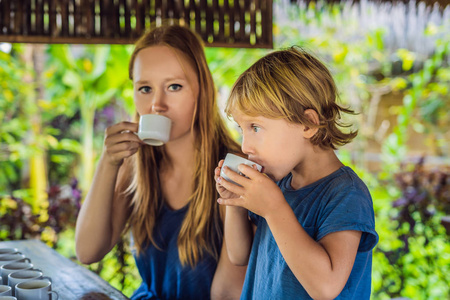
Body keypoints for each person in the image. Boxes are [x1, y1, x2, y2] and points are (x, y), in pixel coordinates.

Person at [75, 24, 246, 300]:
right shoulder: (136, 164)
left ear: (201, 90)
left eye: (174, 86)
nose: (157, 104)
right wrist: (108, 163)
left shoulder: (232, 170)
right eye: (145, 88)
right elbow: (87, 251)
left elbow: (227, 294)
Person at [214, 47, 379, 299]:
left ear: (308, 123)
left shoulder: (346, 194)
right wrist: (236, 203)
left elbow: (326, 286)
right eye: (242, 129)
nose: (245, 145)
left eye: (255, 127)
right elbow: (239, 255)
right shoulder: (278, 184)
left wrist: (273, 208)